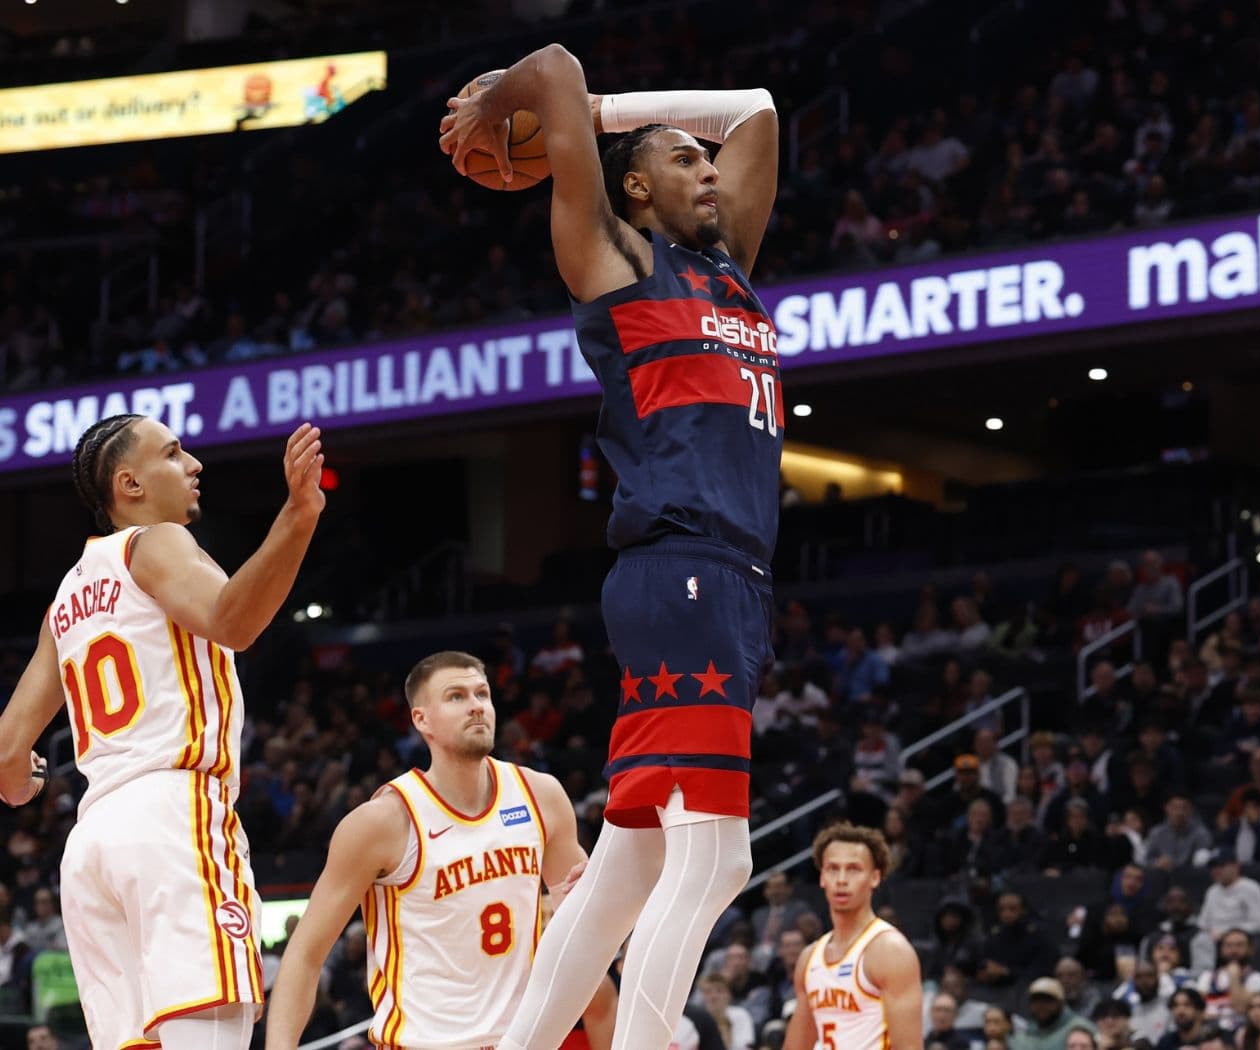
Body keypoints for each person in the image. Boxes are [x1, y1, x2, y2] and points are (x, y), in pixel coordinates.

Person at [441, 46, 781, 1050]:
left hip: (719, 578)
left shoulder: (728, 270)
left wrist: (601, 109)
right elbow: (550, 63)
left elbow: (755, 108)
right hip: (684, 567)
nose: (712, 170)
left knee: (631, 860)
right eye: (686, 161)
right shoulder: (618, 264)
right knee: (717, 863)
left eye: (707, 161)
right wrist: (526, 109)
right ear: (634, 185)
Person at [0, 415, 325, 1050]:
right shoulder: (158, 542)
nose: (194, 463)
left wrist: (32, 782)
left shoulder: (65, 599)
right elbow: (233, 621)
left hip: (92, 843)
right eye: (174, 453)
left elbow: (9, 760)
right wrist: (299, 513)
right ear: (130, 484)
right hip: (172, 819)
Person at [265, 651, 606, 1049]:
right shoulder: (383, 822)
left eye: (482, 693)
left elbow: (588, 929)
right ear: (421, 719)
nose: (476, 706)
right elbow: (305, 954)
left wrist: (600, 894)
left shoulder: (540, 796)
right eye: (456, 696)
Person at [783, 824, 922, 1050]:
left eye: (854, 869)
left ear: (875, 878)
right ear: (822, 878)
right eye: (833, 868)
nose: (841, 879)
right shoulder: (809, 958)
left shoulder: (890, 950)